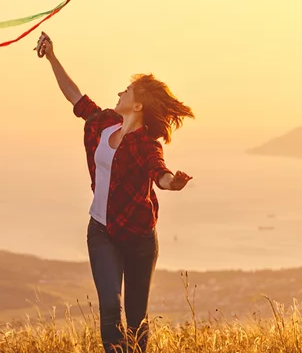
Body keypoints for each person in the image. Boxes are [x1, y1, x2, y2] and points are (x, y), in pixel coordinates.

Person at [35, 31, 193, 353]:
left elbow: (158, 172)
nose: (119, 92)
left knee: (136, 321)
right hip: (102, 232)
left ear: (137, 105)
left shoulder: (146, 145)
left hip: (139, 239)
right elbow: (75, 96)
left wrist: (171, 182)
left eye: (127, 90)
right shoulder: (104, 122)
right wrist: (52, 56)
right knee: (110, 308)